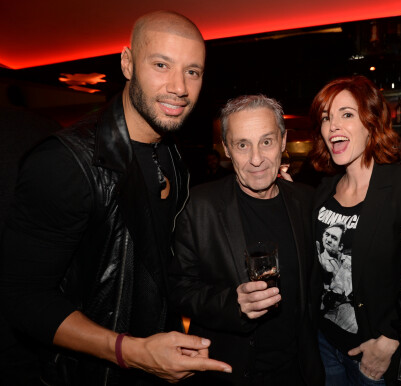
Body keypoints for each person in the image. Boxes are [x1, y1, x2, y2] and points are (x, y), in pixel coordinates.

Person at [0, 10, 232, 386]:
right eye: (161, 64)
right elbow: (22, 297)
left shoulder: (172, 154)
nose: (180, 87)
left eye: (193, 71)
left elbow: (159, 266)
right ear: (127, 63)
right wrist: (131, 352)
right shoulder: (68, 162)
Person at [169, 95, 324, 386]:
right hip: (231, 371)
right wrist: (233, 304)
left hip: (298, 371)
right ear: (227, 149)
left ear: (283, 140)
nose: (256, 159)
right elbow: (178, 288)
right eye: (242, 145)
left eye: (266, 141)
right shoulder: (199, 207)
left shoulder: (306, 201)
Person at [309, 75, 401, 385]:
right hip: (324, 343)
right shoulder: (323, 191)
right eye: (326, 118)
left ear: (370, 123)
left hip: (372, 354)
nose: (333, 126)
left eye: (346, 114)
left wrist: (390, 338)